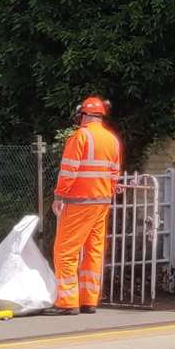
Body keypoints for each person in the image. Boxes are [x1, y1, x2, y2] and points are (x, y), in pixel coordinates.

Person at [52, 96, 123, 314]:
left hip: (78, 201)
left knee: (65, 251)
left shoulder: (80, 137)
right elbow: (114, 173)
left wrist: (59, 196)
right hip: (101, 202)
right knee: (94, 250)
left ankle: (67, 302)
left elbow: (69, 170)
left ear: (83, 115)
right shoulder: (111, 139)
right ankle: (89, 300)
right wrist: (109, 192)